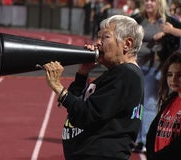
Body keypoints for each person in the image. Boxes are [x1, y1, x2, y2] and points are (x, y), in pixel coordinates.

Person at [42, 15, 145, 160]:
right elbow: (76, 107)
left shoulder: (127, 74)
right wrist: (82, 73)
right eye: (98, 37)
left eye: (105, 37)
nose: (97, 43)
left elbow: (86, 114)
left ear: (127, 44)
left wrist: (58, 87)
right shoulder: (117, 74)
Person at [131, 0, 181, 153]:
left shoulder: (167, 21)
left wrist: (170, 32)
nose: (149, 3)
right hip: (136, 67)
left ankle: (144, 141)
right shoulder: (138, 18)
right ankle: (135, 138)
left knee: (150, 103)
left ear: (160, 3)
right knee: (136, 103)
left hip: (155, 69)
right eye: (146, 0)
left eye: (153, 0)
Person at [146, 48, 181, 160]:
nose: (173, 79)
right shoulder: (170, 100)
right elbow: (152, 133)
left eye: (180, 75)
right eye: (170, 74)